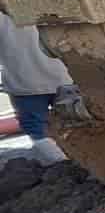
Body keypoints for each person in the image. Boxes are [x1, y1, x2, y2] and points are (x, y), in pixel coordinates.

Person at [0, 11, 73, 166]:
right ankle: (80, 164)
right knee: (75, 120)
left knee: (35, 126)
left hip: (24, 81)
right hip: (63, 74)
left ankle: (62, 164)